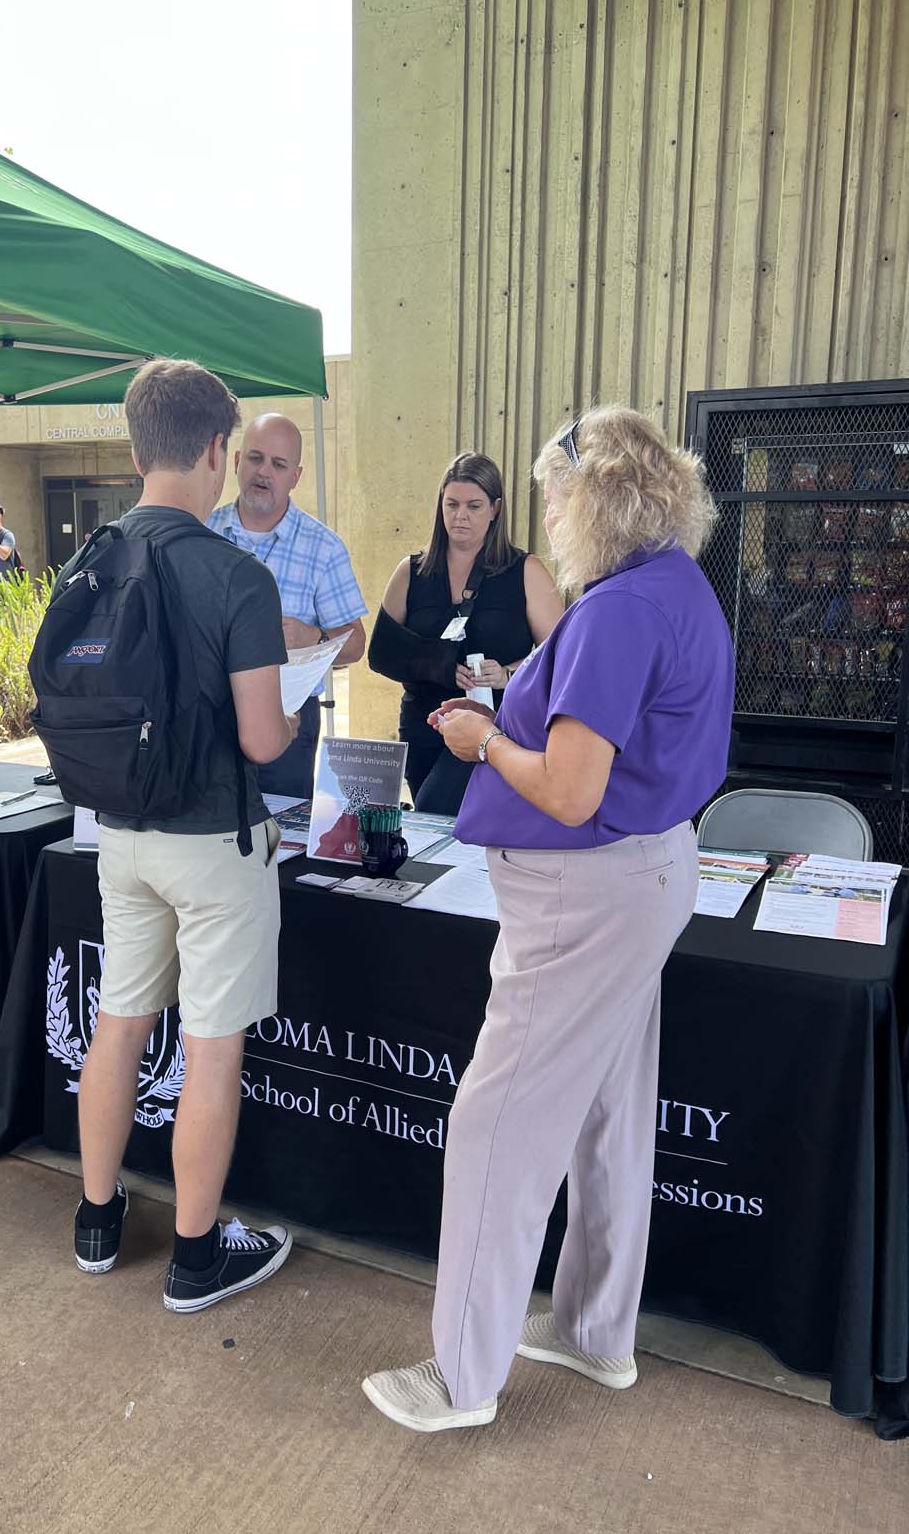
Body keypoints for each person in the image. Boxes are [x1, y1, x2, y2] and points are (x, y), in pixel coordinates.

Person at [362, 406, 735, 1432]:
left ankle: (460, 1378)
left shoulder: (618, 607)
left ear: (595, 497)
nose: (549, 513)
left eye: (555, 493)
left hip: (587, 884)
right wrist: (518, 696)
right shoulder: (671, 585)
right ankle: (592, 1332)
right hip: (641, 873)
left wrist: (484, 739)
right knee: (611, 1110)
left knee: (497, 1122)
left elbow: (569, 789)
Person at [76, 358, 298, 1313]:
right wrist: (291, 711)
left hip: (118, 830)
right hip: (215, 842)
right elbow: (262, 737)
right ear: (218, 450)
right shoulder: (236, 576)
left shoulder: (91, 557)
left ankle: (95, 1222)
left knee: (118, 1023)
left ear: (134, 450)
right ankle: (197, 1257)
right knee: (210, 1048)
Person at [369, 452, 563, 815]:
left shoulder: (526, 571)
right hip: (423, 724)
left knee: (435, 812)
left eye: (474, 506)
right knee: (435, 829)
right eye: (452, 504)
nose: (461, 516)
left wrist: (506, 674)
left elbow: (560, 656)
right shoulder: (411, 570)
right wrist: (438, 665)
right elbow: (381, 654)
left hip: (493, 727)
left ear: (495, 508)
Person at [208, 414, 366, 798]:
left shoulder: (323, 547)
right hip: (209, 714)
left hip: (289, 718)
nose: (264, 472)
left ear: (296, 476)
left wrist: (314, 636)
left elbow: (357, 644)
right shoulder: (201, 532)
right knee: (210, 838)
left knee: (284, 843)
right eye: (256, 459)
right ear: (236, 461)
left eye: (278, 465)